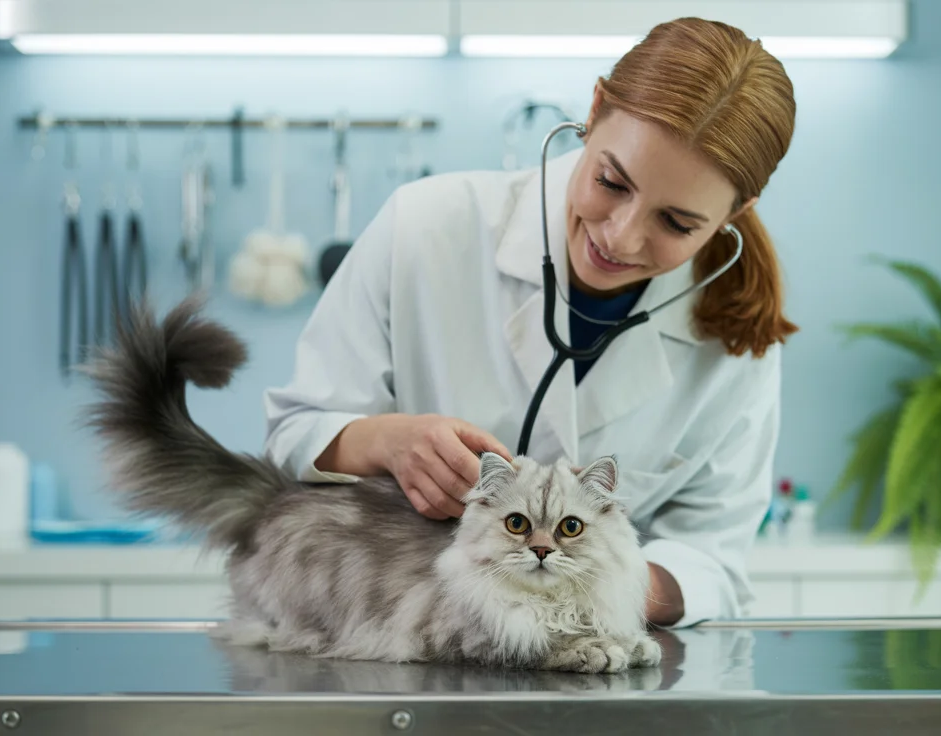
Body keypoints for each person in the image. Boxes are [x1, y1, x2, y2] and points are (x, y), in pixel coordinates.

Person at [263, 17, 798, 628]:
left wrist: (590, 585)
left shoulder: (737, 337)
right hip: (413, 646)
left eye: (676, 223)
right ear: (593, 111)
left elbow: (713, 558)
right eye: (610, 182)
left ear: (736, 212)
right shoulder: (425, 225)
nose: (620, 236)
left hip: (598, 673)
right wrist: (386, 441)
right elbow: (292, 438)